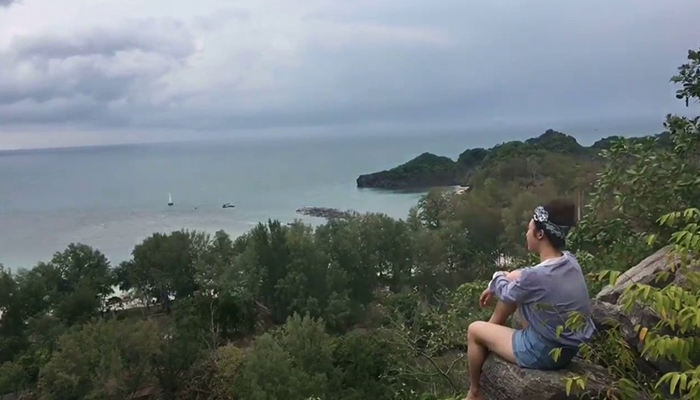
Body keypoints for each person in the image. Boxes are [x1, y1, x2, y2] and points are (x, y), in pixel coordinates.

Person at [464, 199, 595, 400]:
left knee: (474, 330)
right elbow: (524, 277)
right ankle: (491, 332)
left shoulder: (535, 277)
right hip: (569, 349)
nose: (526, 233)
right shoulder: (569, 260)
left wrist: (497, 276)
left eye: (529, 228)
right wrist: (506, 276)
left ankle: (474, 392)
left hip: (544, 353)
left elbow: (510, 289)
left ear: (540, 234)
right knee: (515, 283)